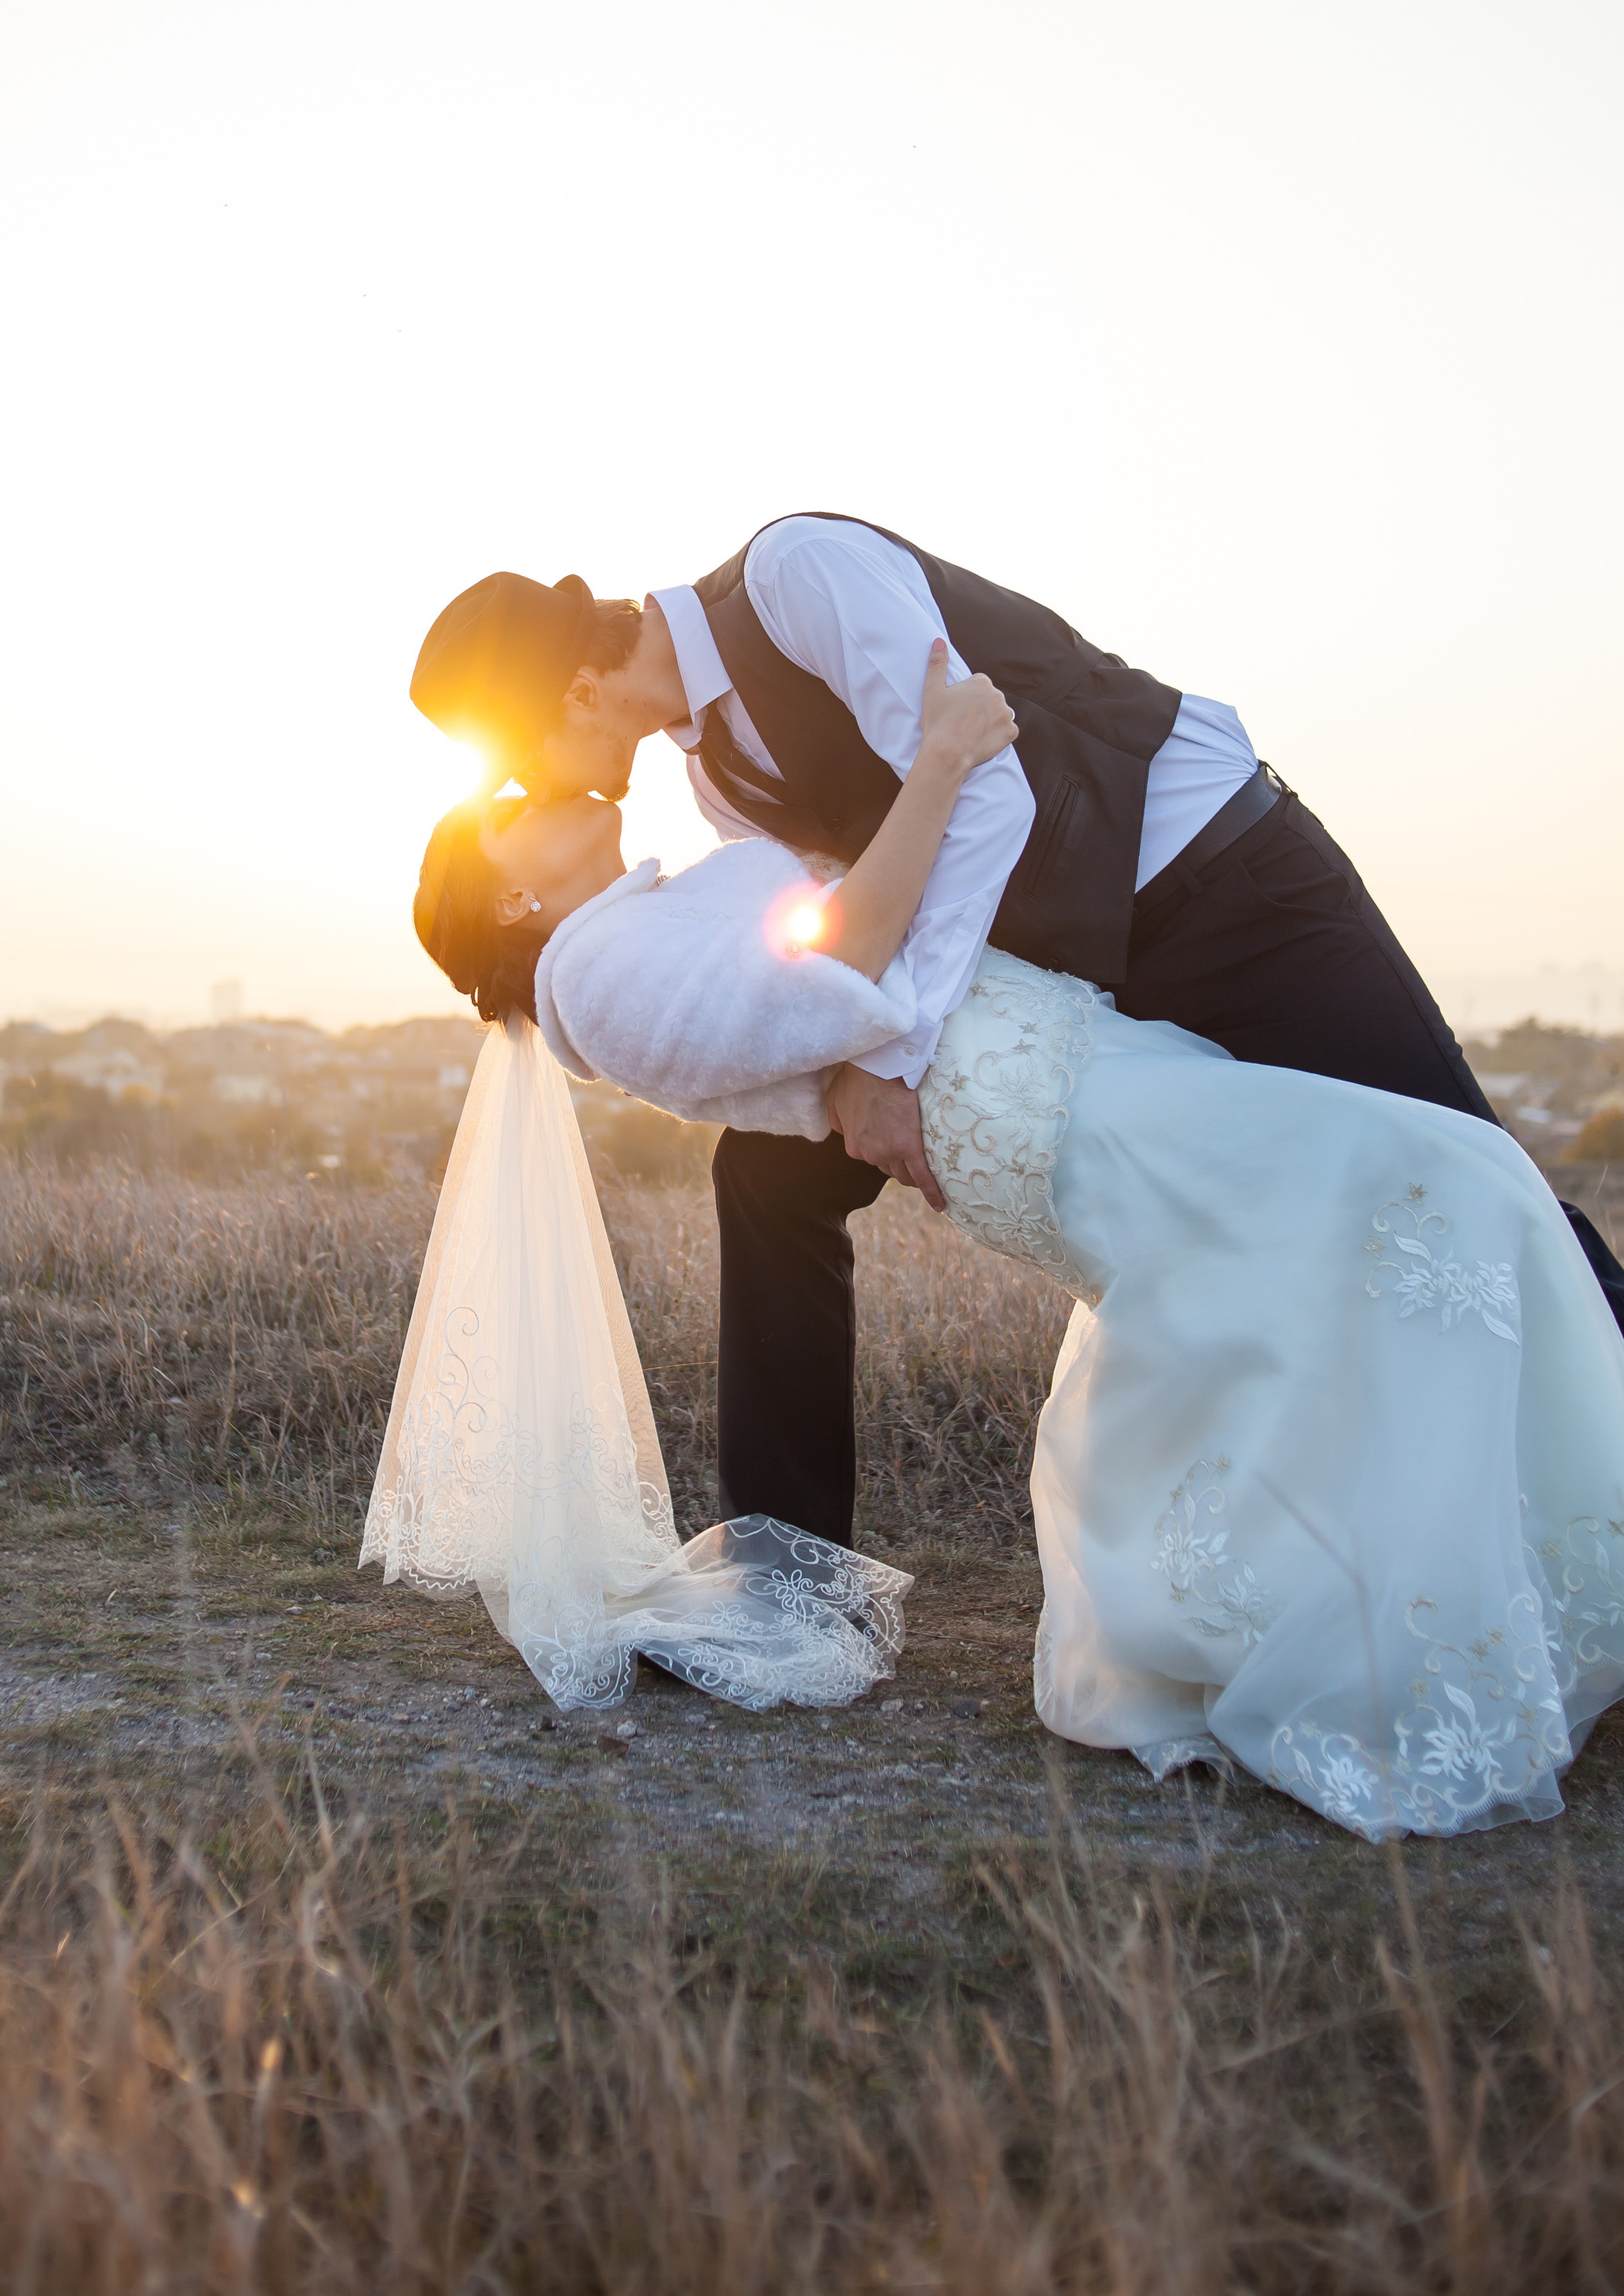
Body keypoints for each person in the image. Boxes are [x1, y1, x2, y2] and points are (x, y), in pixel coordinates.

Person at [407, 646, 1624, 1840]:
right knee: (1437, 1178)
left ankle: (1411, 1581)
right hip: (1026, 1106)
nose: (529, 789)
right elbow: (830, 980)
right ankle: (1363, 1624)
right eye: (504, 808)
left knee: (1361, 1235)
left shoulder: (633, 923)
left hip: (1051, 1054)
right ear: (509, 893)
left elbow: (800, 1003)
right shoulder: (590, 976)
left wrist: (840, 1060)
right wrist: (940, 766)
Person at [409, 519, 1624, 1551]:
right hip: (1054, 979)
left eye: (516, 759)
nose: (536, 787)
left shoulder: (795, 577)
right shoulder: (719, 782)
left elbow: (990, 782)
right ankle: (790, 1568)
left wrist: (886, 1062)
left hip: (1220, 882)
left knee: (1461, 1160)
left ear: (570, 691)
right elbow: (852, 925)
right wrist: (847, 1071)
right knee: (766, 1174)